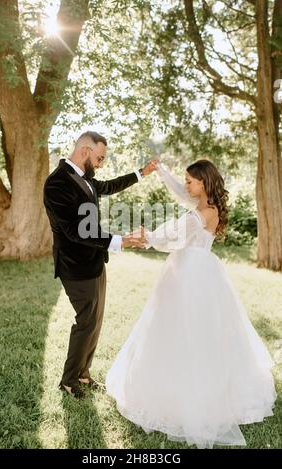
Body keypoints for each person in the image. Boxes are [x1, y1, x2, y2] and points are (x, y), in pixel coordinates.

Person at [106, 159, 277, 449]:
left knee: (183, 331)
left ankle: (186, 395)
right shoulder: (208, 205)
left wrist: (147, 237)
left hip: (189, 275)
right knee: (194, 331)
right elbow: (180, 195)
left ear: (204, 183)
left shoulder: (198, 216)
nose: (186, 185)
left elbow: (172, 241)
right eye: (185, 180)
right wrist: (162, 172)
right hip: (200, 271)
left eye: (190, 181)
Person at [43, 131, 157, 399]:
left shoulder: (88, 180)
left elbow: (108, 186)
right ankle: (69, 380)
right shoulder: (57, 183)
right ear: (85, 151)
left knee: (95, 321)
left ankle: (83, 373)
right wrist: (120, 241)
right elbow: (75, 231)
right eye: (100, 158)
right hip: (75, 265)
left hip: (94, 262)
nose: (102, 164)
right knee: (85, 321)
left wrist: (143, 172)